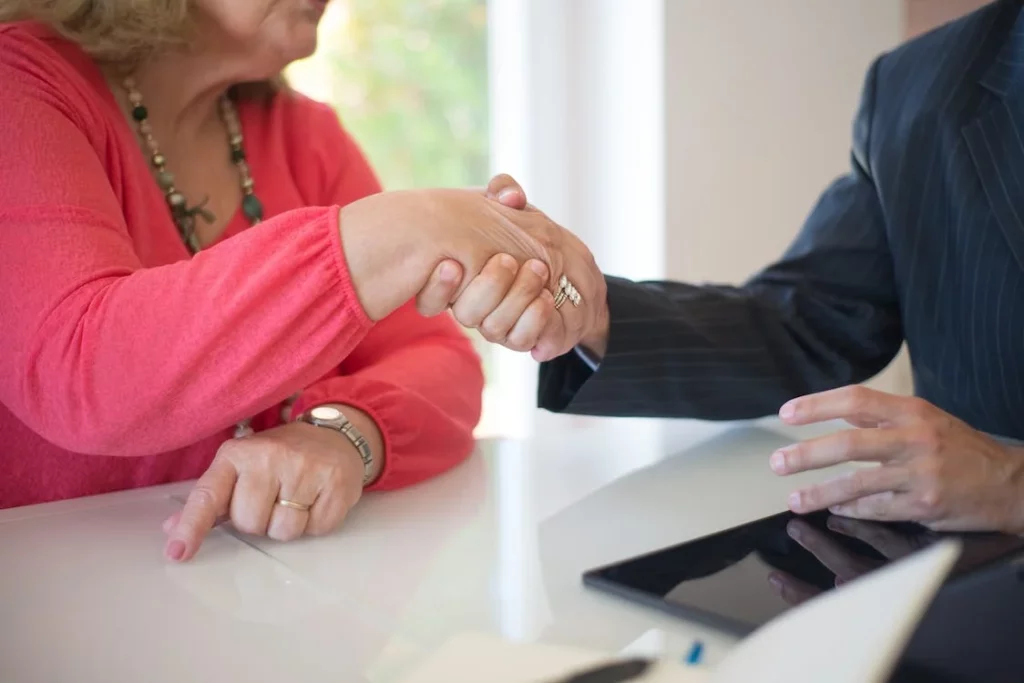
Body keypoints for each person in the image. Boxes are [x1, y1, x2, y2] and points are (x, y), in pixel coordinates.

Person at [0, 0, 604, 562]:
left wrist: (343, 433)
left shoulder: (301, 132)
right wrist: (407, 228)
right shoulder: (20, 80)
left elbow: (439, 360)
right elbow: (80, 369)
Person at [538, 0, 1024, 535]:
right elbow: (810, 323)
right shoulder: (920, 84)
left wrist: (1013, 485)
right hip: (969, 585)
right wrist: (589, 315)